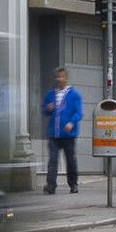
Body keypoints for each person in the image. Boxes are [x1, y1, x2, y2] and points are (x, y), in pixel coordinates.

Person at [41, 66, 83, 194]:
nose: (59, 79)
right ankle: (51, 185)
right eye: (57, 77)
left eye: (62, 77)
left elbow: (79, 112)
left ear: (66, 78)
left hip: (69, 134)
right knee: (52, 159)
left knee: (70, 160)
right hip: (54, 133)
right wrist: (47, 109)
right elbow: (44, 111)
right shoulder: (50, 94)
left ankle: (73, 184)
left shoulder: (74, 94)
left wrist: (71, 122)